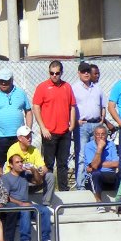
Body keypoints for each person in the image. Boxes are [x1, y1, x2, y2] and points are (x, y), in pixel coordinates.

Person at [33, 60, 76, 191]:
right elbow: (36, 107)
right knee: (48, 165)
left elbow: (72, 106)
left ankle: (63, 190)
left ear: (61, 73)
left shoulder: (67, 87)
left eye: (57, 73)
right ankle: (48, 192)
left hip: (64, 132)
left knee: (63, 164)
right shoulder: (42, 87)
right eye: (52, 73)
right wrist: (43, 128)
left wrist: (72, 125)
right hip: (49, 133)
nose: (54, 75)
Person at [0, 67, 32, 168]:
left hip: (18, 137)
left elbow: (28, 111)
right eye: (1, 81)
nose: (3, 83)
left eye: (6, 81)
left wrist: (27, 130)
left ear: (12, 80)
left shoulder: (21, 93)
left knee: (19, 165)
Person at [3, 153, 52, 241]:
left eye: (21, 162)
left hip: (27, 205)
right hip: (14, 207)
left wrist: (33, 170)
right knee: (25, 210)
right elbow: (5, 197)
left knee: (45, 210)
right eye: (17, 162)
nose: (20, 164)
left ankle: (46, 240)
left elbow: (39, 182)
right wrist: (21, 203)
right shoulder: (6, 178)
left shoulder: (25, 175)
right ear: (11, 165)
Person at [72, 61, 106, 188]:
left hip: (96, 125)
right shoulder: (74, 88)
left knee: (96, 154)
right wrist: (75, 121)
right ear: (78, 73)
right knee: (81, 156)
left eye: (88, 71)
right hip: (82, 126)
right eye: (83, 71)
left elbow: (103, 105)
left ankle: (93, 184)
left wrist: (102, 119)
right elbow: (70, 108)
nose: (86, 74)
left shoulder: (97, 88)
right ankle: (81, 186)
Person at [4, 126, 54, 206]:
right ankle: (22, 204)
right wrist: (32, 170)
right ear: (20, 138)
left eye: (30, 136)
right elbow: (15, 170)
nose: (29, 138)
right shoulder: (13, 149)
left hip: (32, 179)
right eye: (27, 137)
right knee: (22, 177)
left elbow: (44, 168)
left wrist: (39, 170)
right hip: (18, 181)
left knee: (50, 176)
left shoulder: (34, 149)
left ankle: (46, 204)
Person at [81, 124, 120, 211]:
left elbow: (116, 163)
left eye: (103, 134)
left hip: (109, 175)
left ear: (106, 135)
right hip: (95, 176)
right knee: (95, 174)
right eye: (98, 134)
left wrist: (98, 164)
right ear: (94, 135)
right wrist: (99, 148)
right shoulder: (89, 146)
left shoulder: (111, 145)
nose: (100, 136)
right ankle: (99, 203)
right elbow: (94, 167)